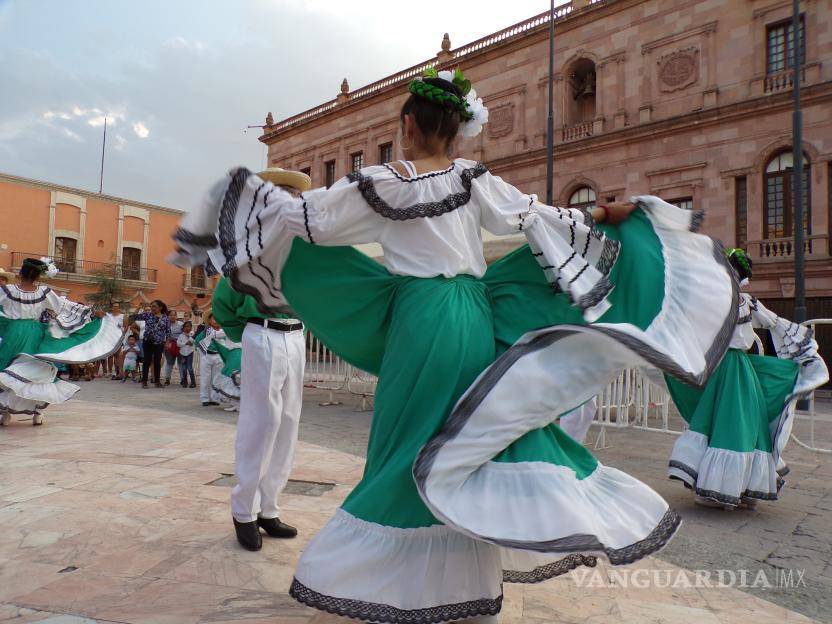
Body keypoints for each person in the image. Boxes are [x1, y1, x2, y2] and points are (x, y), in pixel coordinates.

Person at [172, 68, 738, 622]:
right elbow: (535, 216)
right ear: (454, 127)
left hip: (422, 320)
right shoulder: (474, 179)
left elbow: (306, 220)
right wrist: (601, 212)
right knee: (462, 441)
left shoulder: (382, 182)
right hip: (475, 314)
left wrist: (238, 199)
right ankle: (462, 580)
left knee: (406, 444)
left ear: (409, 123)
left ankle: (394, 582)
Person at [666, 248, 828, 510]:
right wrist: (802, 346)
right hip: (734, 368)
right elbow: (775, 323)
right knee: (743, 425)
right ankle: (740, 488)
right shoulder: (743, 302)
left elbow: (688, 325)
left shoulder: (720, 300)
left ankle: (724, 488)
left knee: (726, 424)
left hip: (725, 368)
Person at [210, 167, 311, 551]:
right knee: (261, 420)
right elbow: (224, 304)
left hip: (296, 334)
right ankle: (244, 510)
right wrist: (252, 333)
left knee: (288, 421)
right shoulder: (246, 248)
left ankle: (269, 507)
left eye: (291, 196)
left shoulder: (302, 248)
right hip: (263, 333)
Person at [0, 258, 122, 426]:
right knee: (37, 371)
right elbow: (64, 306)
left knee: (8, 368)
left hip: (13, 334)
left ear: (20, 273)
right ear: (38, 275)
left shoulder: (7, 290)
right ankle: (37, 412)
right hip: (35, 334)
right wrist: (92, 312)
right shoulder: (43, 292)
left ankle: (6, 413)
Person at [135, 299, 169, 389]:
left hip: (159, 342)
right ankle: (144, 381)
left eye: (154, 306)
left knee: (157, 362)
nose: (152, 308)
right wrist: (138, 308)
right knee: (147, 361)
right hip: (148, 341)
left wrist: (167, 342)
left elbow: (168, 331)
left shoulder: (165, 317)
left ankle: (157, 382)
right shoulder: (148, 315)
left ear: (160, 307)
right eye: (151, 306)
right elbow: (135, 317)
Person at [195, 312, 223, 406]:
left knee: (217, 378)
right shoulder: (206, 331)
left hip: (219, 356)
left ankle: (215, 398)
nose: (215, 320)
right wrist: (203, 354)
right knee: (205, 378)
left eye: (218, 318)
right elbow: (197, 341)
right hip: (207, 356)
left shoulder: (223, 331)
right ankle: (205, 398)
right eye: (213, 318)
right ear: (210, 321)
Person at [162, 309, 183, 385]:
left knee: (181, 363)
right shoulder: (164, 324)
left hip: (180, 346)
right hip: (168, 346)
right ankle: (167, 379)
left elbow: (184, 334)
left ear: (176, 316)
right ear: (168, 316)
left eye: (174, 315)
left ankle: (182, 379)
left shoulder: (181, 324)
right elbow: (162, 335)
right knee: (169, 362)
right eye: (170, 315)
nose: (172, 317)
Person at [106, 302, 125, 379]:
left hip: (118, 338)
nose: (115, 308)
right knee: (110, 355)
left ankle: (117, 371)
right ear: (112, 307)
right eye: (114, 306)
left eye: (117, 306)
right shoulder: (108, 316)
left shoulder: (122, 316)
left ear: (119, 308)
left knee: (117, 355)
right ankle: (110, 371)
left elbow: (125, 327)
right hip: (110, 337)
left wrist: (123, 335)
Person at [176, 320, 197, 388]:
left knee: (190, 368)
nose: (187, 328)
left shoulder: (192, 334)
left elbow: (194, 342)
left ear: (191, 327)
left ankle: (193, 382)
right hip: (182, 354)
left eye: (188, 326)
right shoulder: (181, 335)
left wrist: (189, 337)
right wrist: (185, 343)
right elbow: (178, 344)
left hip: (190, 353)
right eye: (185, 326)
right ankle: (185, 382)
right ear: (183, 327)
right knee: (184, 368)